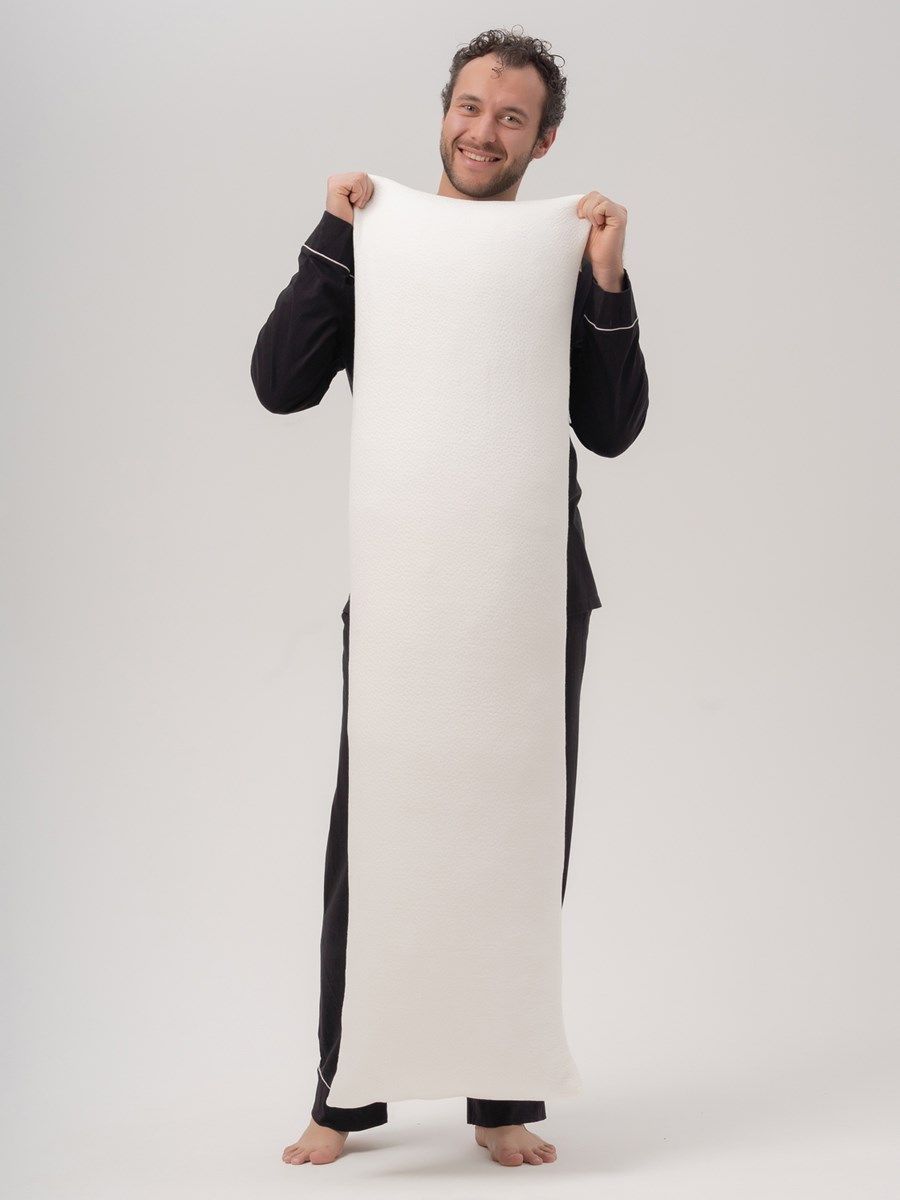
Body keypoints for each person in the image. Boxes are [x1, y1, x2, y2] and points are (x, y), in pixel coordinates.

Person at [250, 26, 649, 1168]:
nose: (483, 130)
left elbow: (612, 428)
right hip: (404, 587)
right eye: (470, 106)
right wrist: (334, 236)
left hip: (533, 590)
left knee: (516, 837)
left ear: (544, 139)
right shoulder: (376, 241)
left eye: (511, 116)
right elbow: (280, 383)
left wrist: (606, 279)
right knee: (372, 837)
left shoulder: (563, 253)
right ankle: (342, 1097)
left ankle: (502, 1097)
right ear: (444, 111)